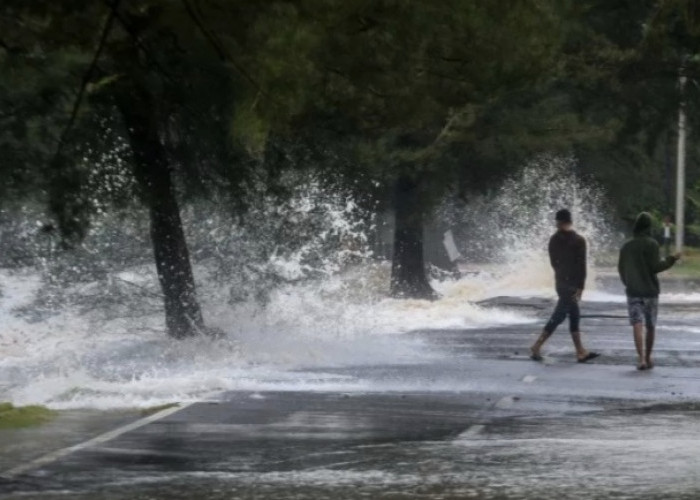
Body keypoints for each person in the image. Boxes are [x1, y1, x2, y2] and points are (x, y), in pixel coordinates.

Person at [530, 209, 600, 363]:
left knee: (574, 315)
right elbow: (582, 266)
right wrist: (581, 286)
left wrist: (562, 277)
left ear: (558, 222)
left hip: (561, 282)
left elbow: (554, 263)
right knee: (559, 316)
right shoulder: (578, 240)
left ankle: (580, 351)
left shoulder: (554, 240)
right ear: (570, 221)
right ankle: (536, 346)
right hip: (572, 285)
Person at [618, 212, 680, 370]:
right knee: (650, 325)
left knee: (637, 324)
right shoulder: (651, 244)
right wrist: (671, 259)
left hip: (633, 291)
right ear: (649, 226)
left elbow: (621, 268)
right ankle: (648, 356)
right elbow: (656, 267)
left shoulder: (627, 245)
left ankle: (641, 359)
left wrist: (628, 283)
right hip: (650, 291)